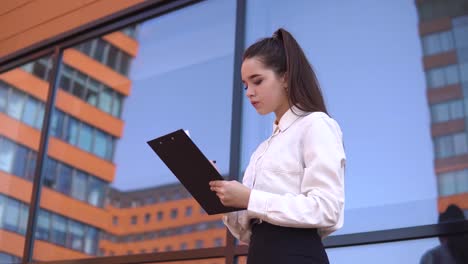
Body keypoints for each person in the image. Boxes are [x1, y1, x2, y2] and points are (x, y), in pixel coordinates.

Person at [209, 28, 346, 264]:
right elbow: (247, 232)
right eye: (245, 85)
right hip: (260, 255)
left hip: (296, 254)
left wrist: (251, 198)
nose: (250, 93)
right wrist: (221, 198)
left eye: (258, 81)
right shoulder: (261, 150)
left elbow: (326, 208)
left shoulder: (316, 125)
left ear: (284, 77)